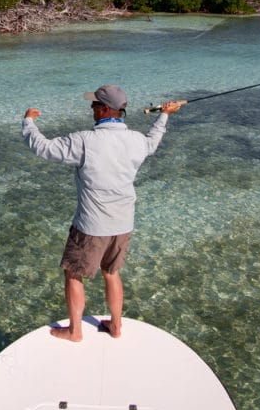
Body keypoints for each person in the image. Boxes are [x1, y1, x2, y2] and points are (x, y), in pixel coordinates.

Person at [22, 84, 184, 342]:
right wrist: (164, 116)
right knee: (112, 273)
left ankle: (75, 331)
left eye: (95, 105)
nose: (92, 108)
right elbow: (153, 142)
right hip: (123, 224)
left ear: (106, 109)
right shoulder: (136, 140)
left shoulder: (85, 141)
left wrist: (29, 122)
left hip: (91, 227)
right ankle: (116, 326)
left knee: (74, 274)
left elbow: (43, 148)